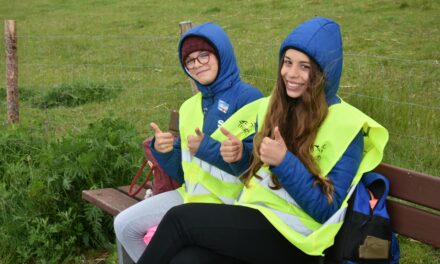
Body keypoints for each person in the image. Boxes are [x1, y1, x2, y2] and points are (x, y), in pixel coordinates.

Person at [136, 17, 389, 264]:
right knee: (187, 259)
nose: (291, 73)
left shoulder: (348, 126)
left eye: (304, 66)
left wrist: (283, 161)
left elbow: (326, 208)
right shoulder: (277, 107)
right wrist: (239, 157)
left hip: (298, 241)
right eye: (287, 62)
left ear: (325, 72)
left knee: (180, 220)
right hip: (258, 218)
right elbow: (253, 173)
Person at [113, 22, 263, 262]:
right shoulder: (189, 106)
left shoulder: (250, 99)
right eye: (190, 61)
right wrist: (164, 152)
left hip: (230, 204)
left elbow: (254, 169)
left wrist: (207, 149)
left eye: (204, 55)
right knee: (124, 225)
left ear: (222, 54)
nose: (197, 64)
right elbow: (184, 173)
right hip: (189, 196)